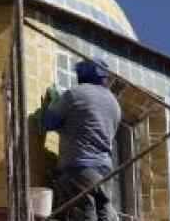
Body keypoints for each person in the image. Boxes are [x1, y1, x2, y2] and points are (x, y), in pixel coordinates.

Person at [41, 58, 121, 221]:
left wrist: (50, 104)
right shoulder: (115, 104)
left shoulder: (75, 94)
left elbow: (48, 123)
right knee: (104, 214)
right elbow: (89, 126)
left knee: (85, 214)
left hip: (79, 168)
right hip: (105, 170)